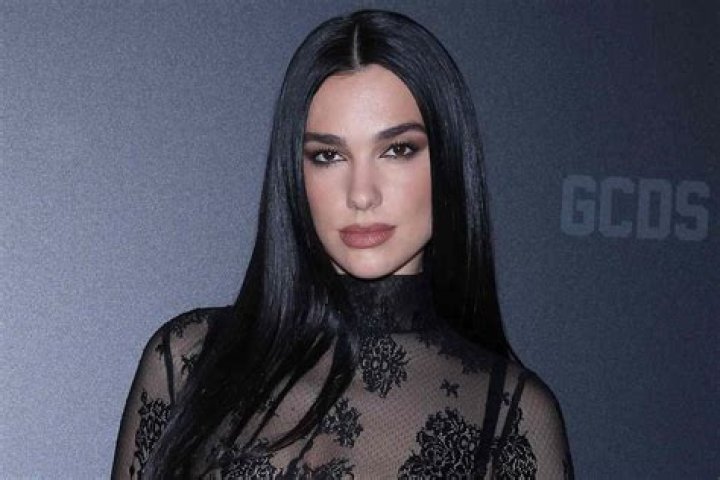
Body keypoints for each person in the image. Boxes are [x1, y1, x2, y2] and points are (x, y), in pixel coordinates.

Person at [112, 8, 574, 479]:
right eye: (329, 155)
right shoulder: (187, 361)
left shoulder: (511, 415)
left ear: (449, 161)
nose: (361, 194)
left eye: (397, 150)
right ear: (296, 174)